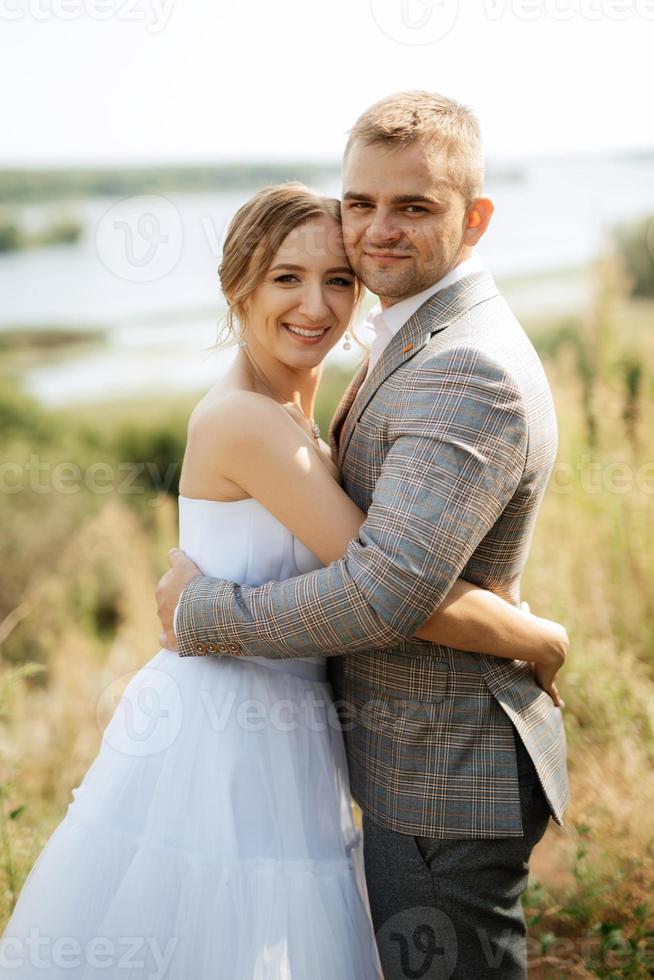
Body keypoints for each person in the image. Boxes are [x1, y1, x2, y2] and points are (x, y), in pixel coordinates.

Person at [1, 180, 566, 979]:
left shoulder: (296, 405)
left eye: (338, 279)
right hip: (233, 729)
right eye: (286, 278)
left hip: (286, 719)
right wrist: (537, 634)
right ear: (239, 288)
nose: (317, 305)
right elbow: (391, 590)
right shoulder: (248, 422)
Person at [157, 92, 570, 980]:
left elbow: (384, 589)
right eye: (362, 203)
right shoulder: (406, 337)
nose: (378, 230)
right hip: (371, 752)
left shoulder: (465, 366)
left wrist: (202, 614)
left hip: (444, 771)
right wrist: (528, 631)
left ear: (475, 218)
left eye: (414, 206)